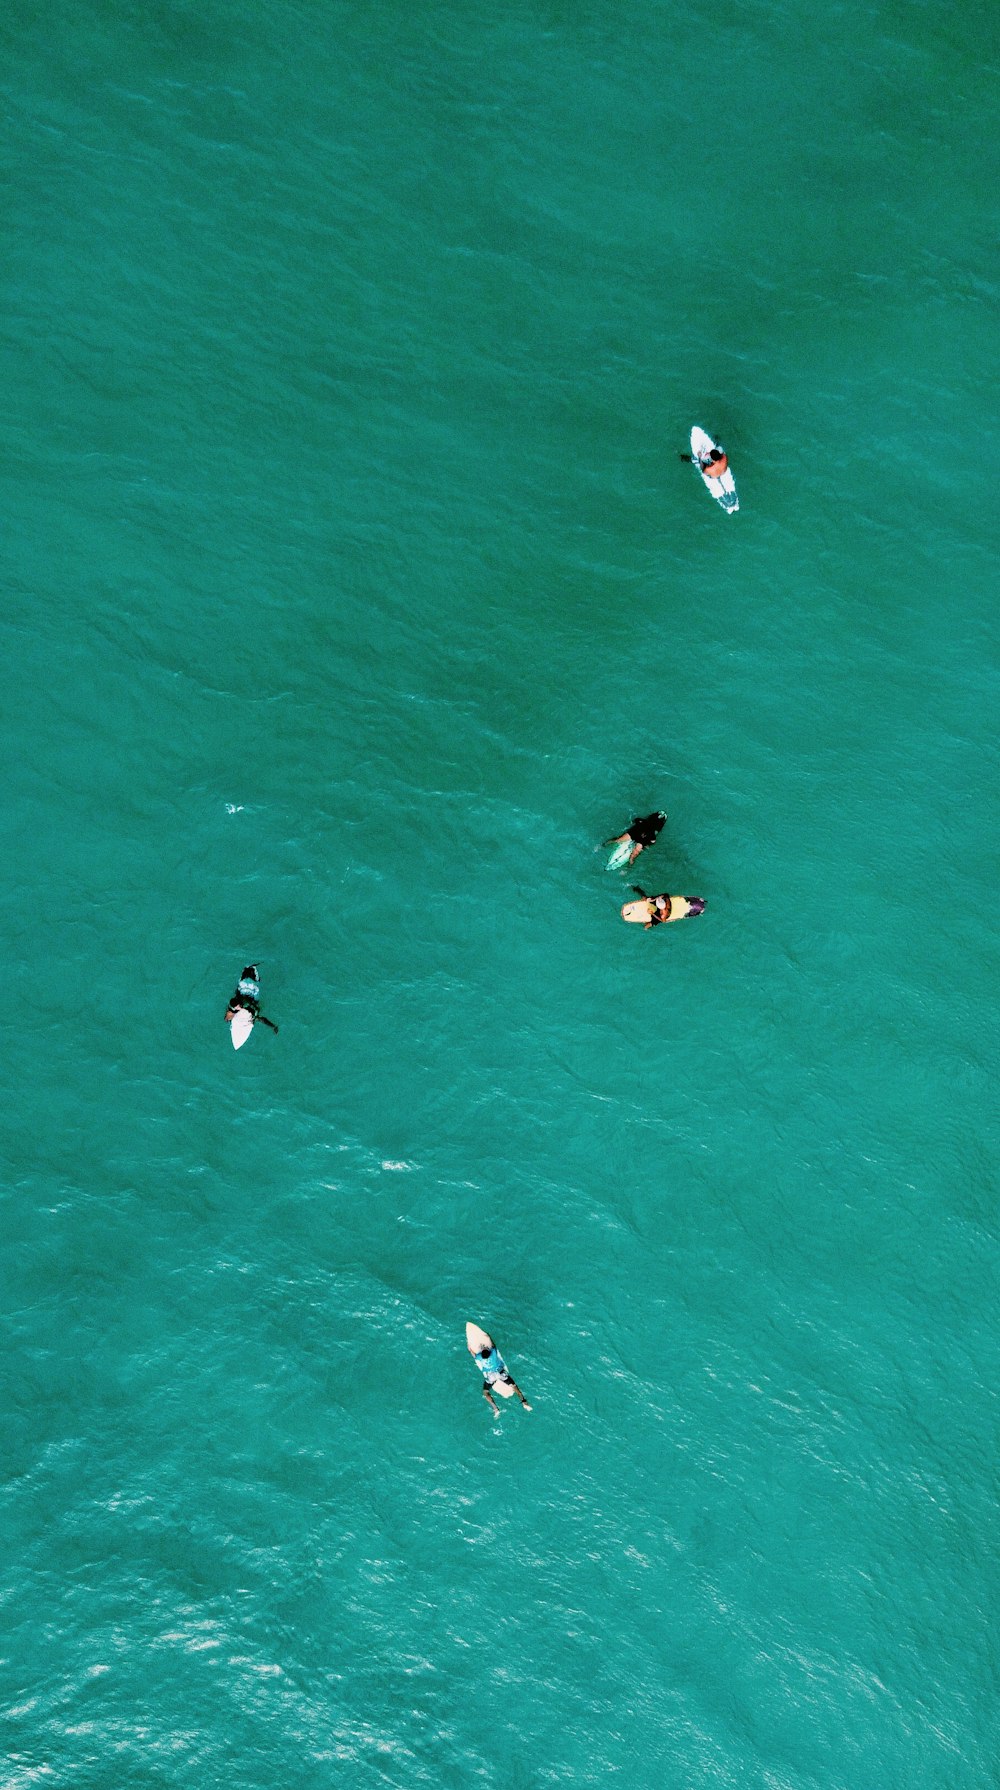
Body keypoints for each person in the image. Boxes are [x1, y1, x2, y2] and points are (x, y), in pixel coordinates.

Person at [474, 1339, 532, 1417]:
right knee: (514, 1386)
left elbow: (473, 1354)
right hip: (501, 1373)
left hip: (491, 1376)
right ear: (488, 1351)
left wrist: (470, 1348)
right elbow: (494, 1346)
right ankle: (524, 1402)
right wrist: (489, 1338)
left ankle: (495, 1409)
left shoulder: (479, 1357)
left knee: (485, 1392)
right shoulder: (493, 1353)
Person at [225, 964, 278, 1035]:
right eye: (236, 1008)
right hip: (243, 984)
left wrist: (253, 1017)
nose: (238, 1008)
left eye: (238, 1007)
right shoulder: (233, 1003)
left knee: (256, 1005)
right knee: (244, 975)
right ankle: (248, 968)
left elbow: (257, 1010)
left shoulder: (246, 1003)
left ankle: (274, 1026)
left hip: (253, 986)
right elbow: (230, 1011)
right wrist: (228, 1018)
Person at [630, 886, 706, 928]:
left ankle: (645, 928)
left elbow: (663, 921)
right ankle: (637, 889)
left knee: (648, 925)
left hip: (660, 915)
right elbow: (666, 894)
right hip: (661, 904)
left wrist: (652, 913)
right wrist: (654, 899)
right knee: (646, 898)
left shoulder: (663, 914)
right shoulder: (667, 901)